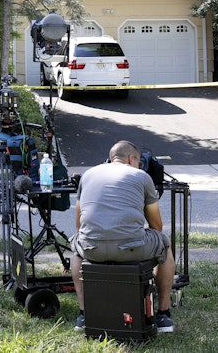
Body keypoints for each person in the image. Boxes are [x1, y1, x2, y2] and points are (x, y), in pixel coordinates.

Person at [69, 140, 176, 333]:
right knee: (164, 246)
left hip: (92, 249)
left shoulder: (88, 175)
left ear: (111, 159)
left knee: (77, 249)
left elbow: (79, 225)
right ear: (131, 159)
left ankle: (84, 314)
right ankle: (163, 315)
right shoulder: (141, 176)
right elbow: (157, 226)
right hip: (132, 248)